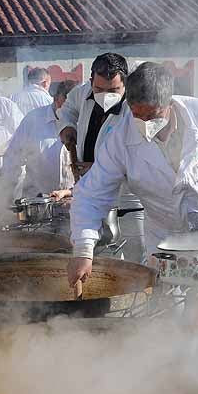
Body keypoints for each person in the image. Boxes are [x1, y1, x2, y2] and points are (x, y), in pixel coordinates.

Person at [67, 62, 198, 325]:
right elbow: (91, 194)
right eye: (137, 115)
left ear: (169, 102)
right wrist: (83, 250)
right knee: (169, 328)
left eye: (152, 115)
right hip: (165, 246)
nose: (144, 123)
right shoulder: (120, 135)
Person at [52, 53, 146, 261]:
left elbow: (140, 156)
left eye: (113, 90)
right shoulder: (82, 93)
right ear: (91, 81)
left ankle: (137, 292)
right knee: (98, 252)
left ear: (126, 84)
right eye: (99, 89)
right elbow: (67, 110)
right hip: (93, 191)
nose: (105, 95)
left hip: (129, 197)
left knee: (136, 255)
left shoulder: (137, 107)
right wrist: (67, 127)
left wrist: (97, 167)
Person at [0, 80, 80, 201]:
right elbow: (13, 158)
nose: (69, 113)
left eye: (73, 108)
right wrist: (7, 196)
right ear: (56, 99)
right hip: (37, 202)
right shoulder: (33, 120)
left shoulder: (84, 120)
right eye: (65, 106)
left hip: (74, 200)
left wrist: (70, 192)